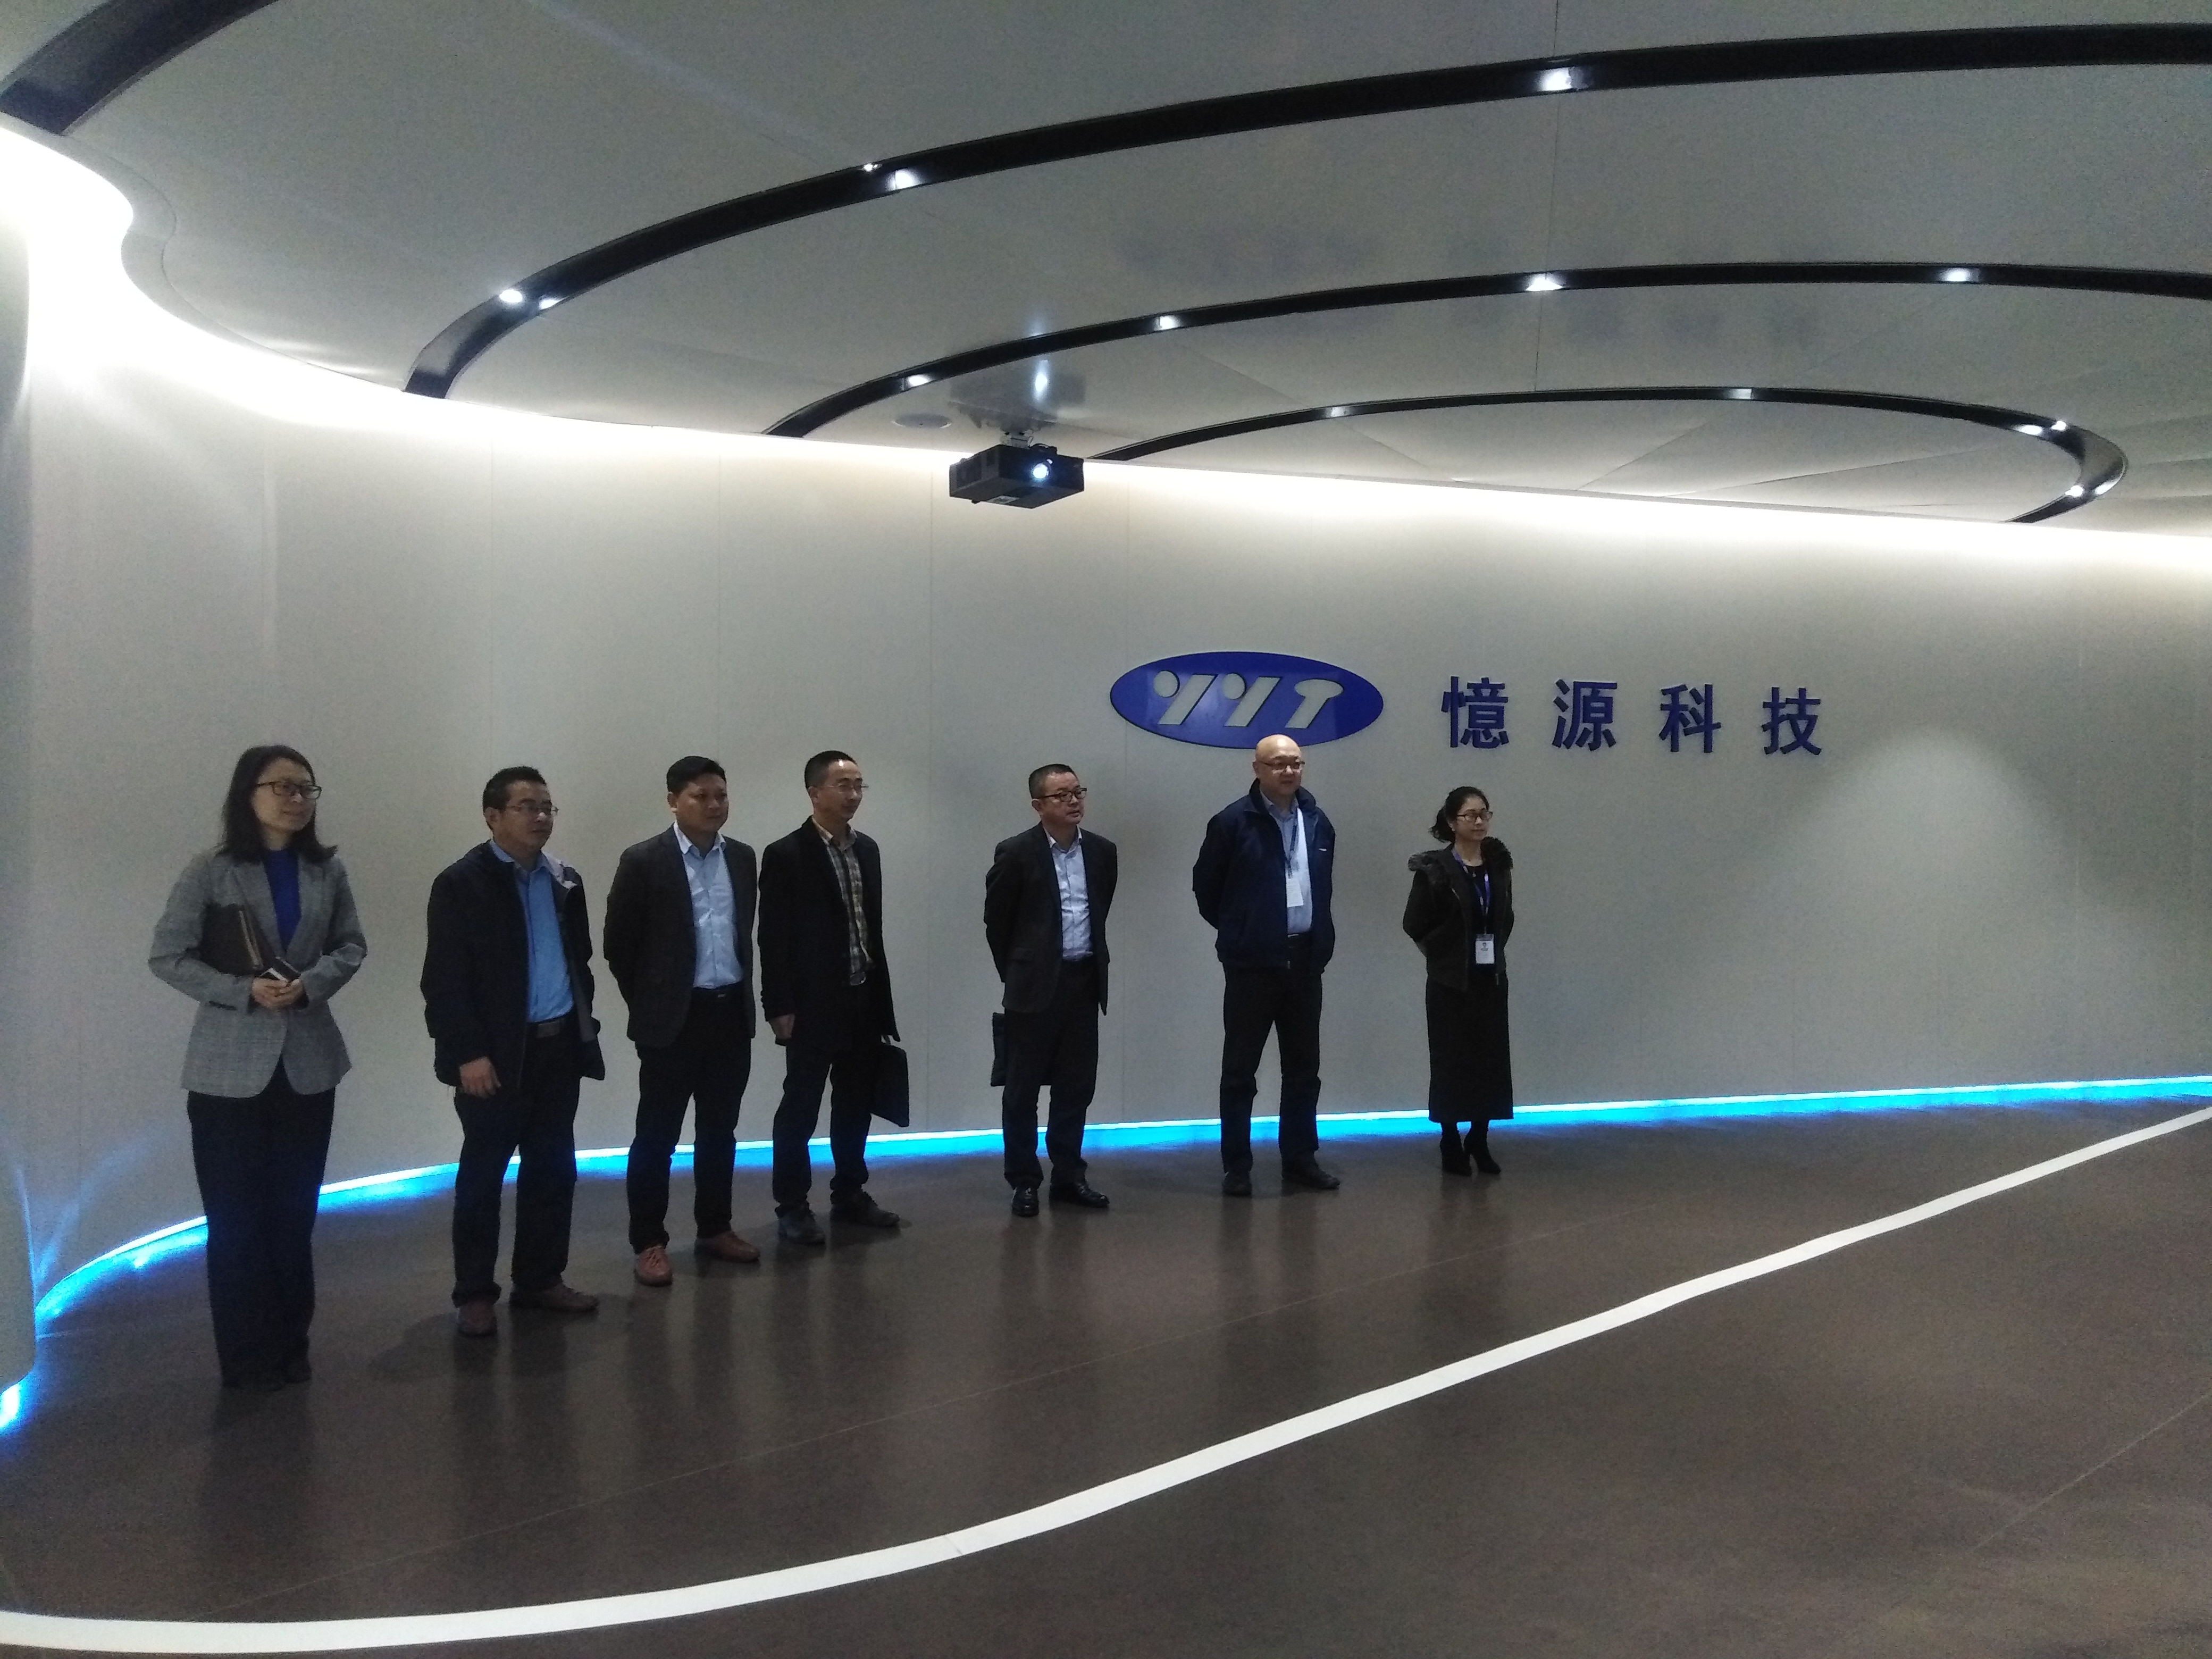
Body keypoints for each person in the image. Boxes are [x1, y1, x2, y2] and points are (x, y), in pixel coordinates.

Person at [149, 745, 366, 1389]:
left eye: (306, 789)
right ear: (248, 794)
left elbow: (351, 945)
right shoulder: (212, 870)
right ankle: (245, 1357)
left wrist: (311, 983)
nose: (296, 799)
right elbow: (168, 956)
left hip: (308, 1063)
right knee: (236, 1220)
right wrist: (243, 990)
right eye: (282, 787)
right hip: (227, 1072)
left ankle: (290, 1344)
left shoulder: (326, 871)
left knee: (294, 1215)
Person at [421, 767, 605, 1337]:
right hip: (495, 1059)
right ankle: (475, 1294)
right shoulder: (461, 883)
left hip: (557, 1050)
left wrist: (583, 1026)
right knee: (483, 1179)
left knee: (553, 1172)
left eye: (547, 806)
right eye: (527, 806)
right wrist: (468, 1053)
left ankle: (540, 1280)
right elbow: (444, 981)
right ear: (492, 816)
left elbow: (579, 961)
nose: (541, 816)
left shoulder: (564, 880)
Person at [603, 756, 760, 1287]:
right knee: (657, 1136)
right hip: (673, 1022)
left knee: (720, 1132)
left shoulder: (742, 857)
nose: (714, 805)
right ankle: (649, 1241)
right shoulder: (644, 860)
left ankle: (715, 1227)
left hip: (729, 1014)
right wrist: (652, 1003)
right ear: (673, 801)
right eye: (701, 796)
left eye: (721, 795)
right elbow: (619, 945)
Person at [758, 750, 902, 1244]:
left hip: (863, 998)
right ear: (814, 792)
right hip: (811, 1005)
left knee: (856, 1105)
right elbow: (772, 937)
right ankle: (792, 1205)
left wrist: (882, 1002)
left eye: (859, 785)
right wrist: (778, 1005)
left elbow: (870, 930)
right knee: (799, 1109)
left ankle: (850, 1193)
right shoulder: (786, 854)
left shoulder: (868, 850)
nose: (854, 794)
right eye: (843, 785)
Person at [1192, 733, 1340, 1196]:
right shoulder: (1232, 822)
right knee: (1240, 1071)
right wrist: (1245, 930)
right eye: (1278, 764)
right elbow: (1207, 890)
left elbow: (1322, 887)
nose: (1289, 771)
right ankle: (1237, 1165)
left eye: (1296, 763)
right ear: (1257, 769)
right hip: (1252, 966)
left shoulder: (1317, 820)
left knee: (1304, 1069)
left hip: (1305, 960)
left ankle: (1300, 1158)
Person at [984, 764, 1117, 1217]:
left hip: (1084, 982)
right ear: (1038, 806)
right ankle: (1024, 1180)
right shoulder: (1016, 852)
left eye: (1078, 792)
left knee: (1076, 1088)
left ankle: (1069, 1176)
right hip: (1034, 986)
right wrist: (1019, 971)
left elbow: (1100, 909)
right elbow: (997, 922)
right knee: (1022, 1091)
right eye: (1062, 795)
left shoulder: (1102, 851)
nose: (1074, 801)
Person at [1402, 786, 1514, 1175]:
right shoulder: (1436, 869)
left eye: (1485, 814)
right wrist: (1444, 954)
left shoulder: (1498, 865)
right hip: (1450, 983)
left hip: (1490, 979)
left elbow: (1506, 916)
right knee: (1451, 1062)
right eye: (1470, 815)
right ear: (1452, 822)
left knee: (1489, 1061)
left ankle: (1479, 1138)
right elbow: (1415, 923)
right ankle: (1450, 1139)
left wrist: (1493, 950)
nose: (1479, 822)